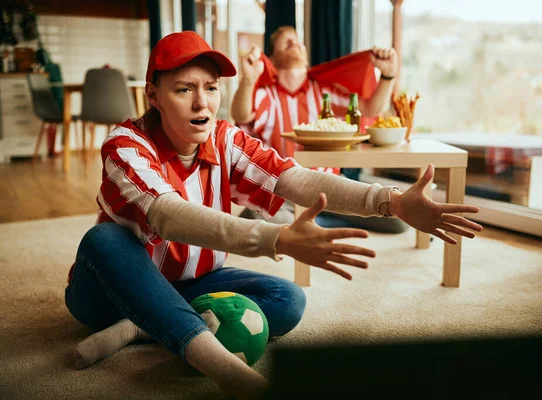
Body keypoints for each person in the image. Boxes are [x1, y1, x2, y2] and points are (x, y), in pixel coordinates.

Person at [65, 31, 483, 400]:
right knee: (103, 241)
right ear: (153, 96)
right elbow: (170, 216)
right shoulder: (125, 144)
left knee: (288, 300)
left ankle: (140, 326)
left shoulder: (225, 138)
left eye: (211, 88)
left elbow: (293, 179)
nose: (202, 102)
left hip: (192, 284)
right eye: (183, 89)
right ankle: (230, 374)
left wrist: (389, 201)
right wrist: (275, 238)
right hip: (105, 293)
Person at [231, 26, 408, 233]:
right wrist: (248, 79)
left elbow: (369, 108)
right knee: (259, 213)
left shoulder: (324, 91)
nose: (295, 44)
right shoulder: (268, 95)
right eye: (287, 42)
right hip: (286, 191)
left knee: (398, 220)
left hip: (330, 186)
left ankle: (314, 224)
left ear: (306, 57)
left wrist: (388, 75)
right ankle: (315, 224)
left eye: (298, 41)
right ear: (273, 58)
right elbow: (241, 114)